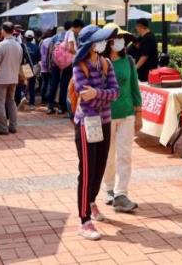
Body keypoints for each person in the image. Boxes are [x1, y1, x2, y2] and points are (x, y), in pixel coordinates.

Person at [71, 25, 119, 240]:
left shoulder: (106, 63)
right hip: (86, 123)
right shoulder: (79, 66)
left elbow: (115, 93)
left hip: (105, 121)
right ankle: (84, 220)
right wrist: (103, 95)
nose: (103, 44)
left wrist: (97, 93)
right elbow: (84, 95)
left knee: (99, 168)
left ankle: (91, 201)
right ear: (89, 44)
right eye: (99, 40)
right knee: (87, 171)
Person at [101, 27, 142, 213]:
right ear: (108, 41)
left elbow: (135, 88)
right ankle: (109, 188)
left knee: (125, 154)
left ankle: (121, 193)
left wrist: (139, 113)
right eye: (116, 38)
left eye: (122, 38)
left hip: (127, 114)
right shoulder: (101, 62)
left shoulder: (129, 61)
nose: (120, 41)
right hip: (106, 115)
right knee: (108, 154)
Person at [0, 22, 23, 135]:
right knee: (11, 101)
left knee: (0, 103)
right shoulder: (19, 46)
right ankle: (13, 126)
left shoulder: (0, 45)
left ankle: (3, 128)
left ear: (3, 31)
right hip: (13, 78)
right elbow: (19, 63)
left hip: (1, 78)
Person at [52, 20, 84, 113]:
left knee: (64, 84)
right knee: (67, 85)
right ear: (78, 27)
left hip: (66, 62)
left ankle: (62, 106)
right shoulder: (71, 34)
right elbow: (70, 48)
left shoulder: (68, 32)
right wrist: (79, 53)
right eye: (80, 29)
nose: (80, 31)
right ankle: (64, 106)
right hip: (69, 63)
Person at [127, 18, 158, 82]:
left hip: (146, 72)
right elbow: (138, 46)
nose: (136, 29)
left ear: (140, 26)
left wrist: (135, 68)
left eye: (137, 27)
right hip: (144, 72)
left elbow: (144, 56)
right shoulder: (144, 37)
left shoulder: (148, 38)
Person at [22, 30, 41, 107]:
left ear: (25, 37)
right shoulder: (36, 47)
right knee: (32, 85)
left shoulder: (22, 46)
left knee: (23, 84)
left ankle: (22, 99)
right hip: (33, 67)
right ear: (33, 38)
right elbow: (39, 59)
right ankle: (32, 103)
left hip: (24, 67)